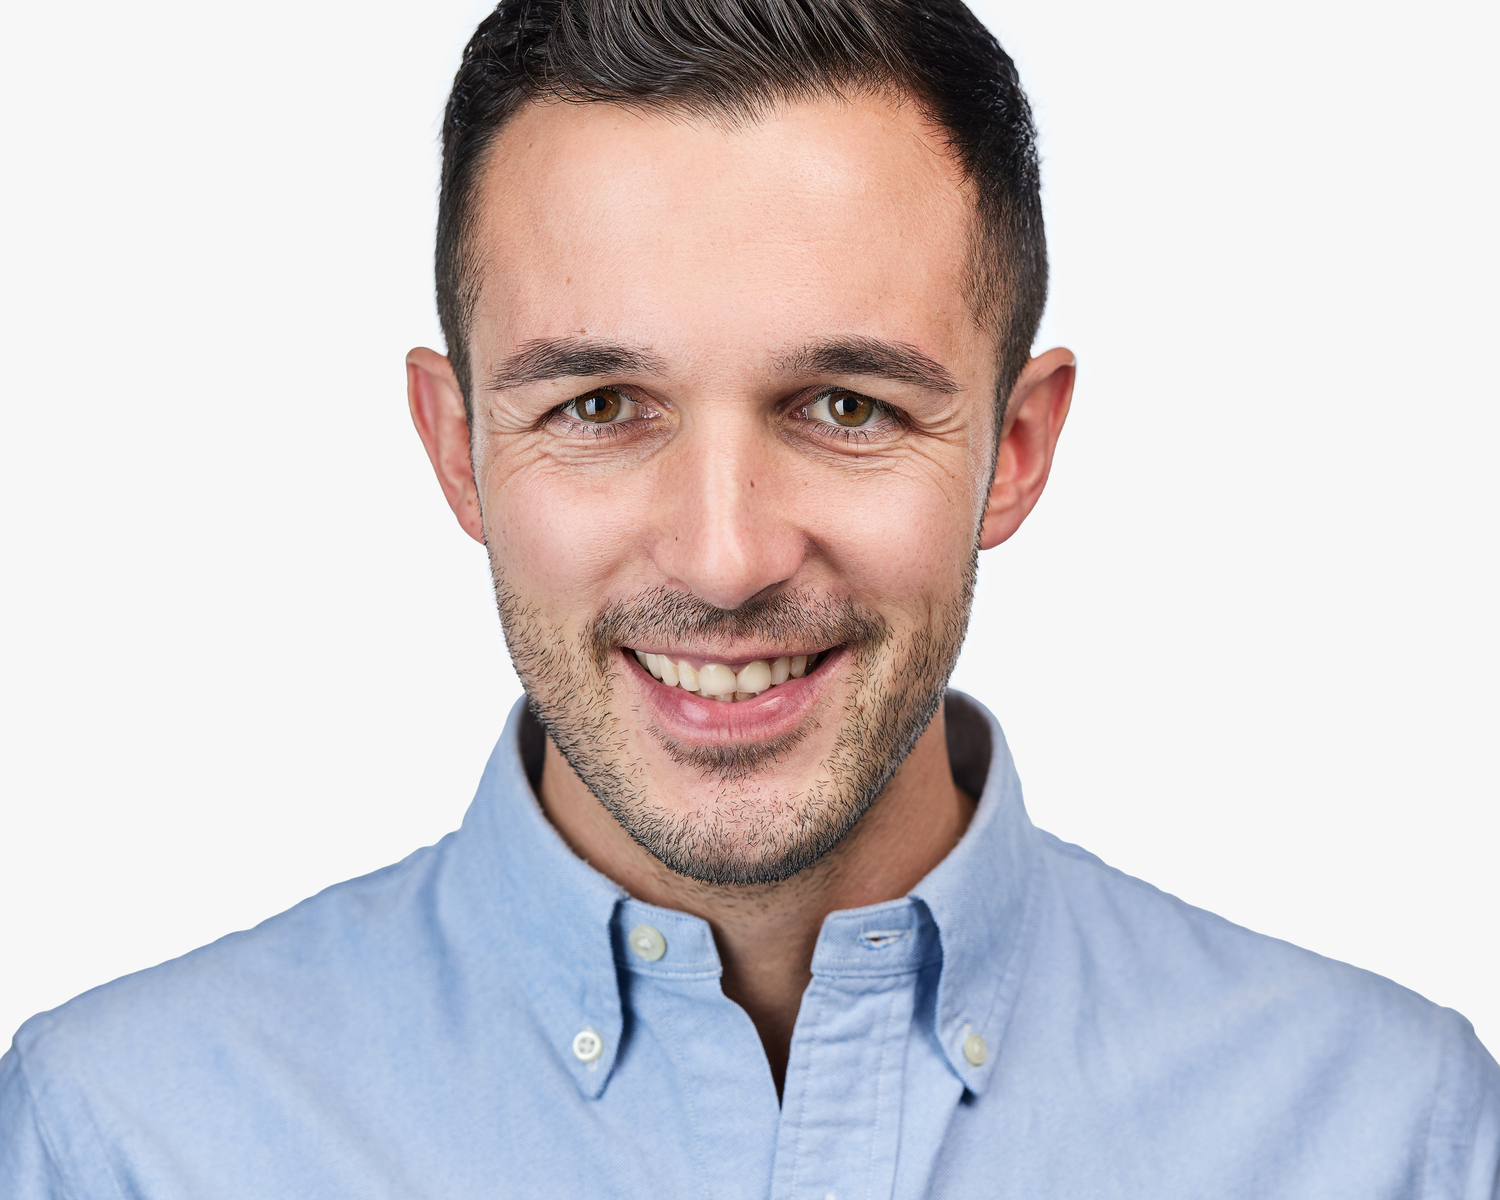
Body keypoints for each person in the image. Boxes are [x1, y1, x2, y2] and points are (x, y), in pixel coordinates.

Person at [2, 0, 1495, 1194]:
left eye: (846, 407)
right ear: (459, 450)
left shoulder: (1395, 1137)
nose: (725, 561)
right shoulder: (117, 1143)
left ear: (1016, 448)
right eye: (597, 407)